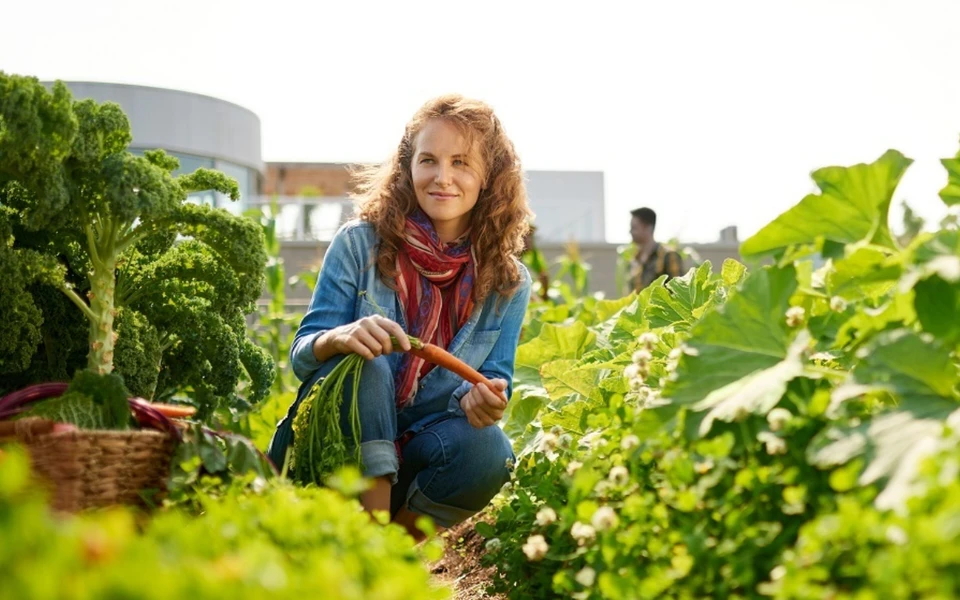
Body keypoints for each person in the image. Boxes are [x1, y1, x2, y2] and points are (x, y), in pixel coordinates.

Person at [267, 94, 533, 541]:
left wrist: (485, 400)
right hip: (334, 448)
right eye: (428, 160)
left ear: (489, 177)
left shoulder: (509, 281)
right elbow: (301, 355)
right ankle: (370, 555)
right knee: (369, 362)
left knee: (489, 451)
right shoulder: (359, 244)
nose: (442, 177)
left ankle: (393, 553)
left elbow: (492, 378)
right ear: (408, 167)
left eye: (461, 163)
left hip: (418, 450)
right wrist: (340, 337)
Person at [628, 207, 683, 291]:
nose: (630, 232)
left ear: (648, 227)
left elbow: (678, 289)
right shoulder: (636, 258)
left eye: (634, 228)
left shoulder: (668, 255)